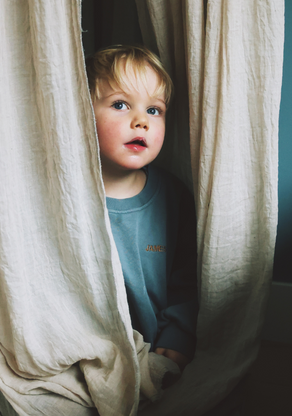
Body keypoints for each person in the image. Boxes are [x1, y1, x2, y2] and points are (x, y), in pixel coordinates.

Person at [86, 45, 198, 371]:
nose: (141, 122)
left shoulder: (173, 196)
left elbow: (187, 279)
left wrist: (179, 333)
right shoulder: (71, 198)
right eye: (120, 105)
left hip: (155, 344)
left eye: (154, 110)